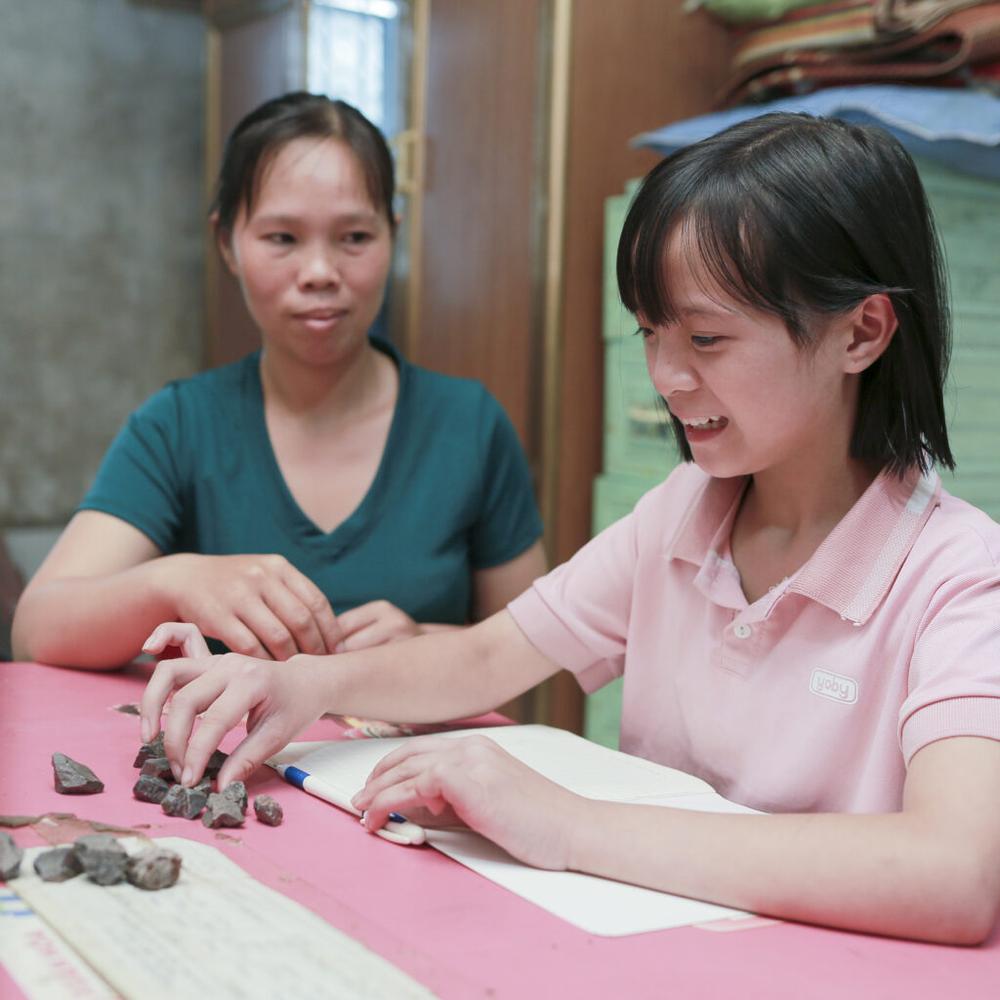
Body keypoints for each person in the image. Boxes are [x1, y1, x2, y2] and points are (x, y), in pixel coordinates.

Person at [138, 113, 1000, 944]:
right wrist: (308, 686)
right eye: (653, 334)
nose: (666, 376)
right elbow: (488, 656)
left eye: (706, 338)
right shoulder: (680, 513)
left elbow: (953, 873)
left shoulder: (959, 577)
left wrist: (570, 826)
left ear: (863, 331)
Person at [12, 92, 545, 669]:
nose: (319, 273)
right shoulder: (179, 426)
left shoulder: (469, 425)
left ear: (393, 235)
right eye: (282, 239)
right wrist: (173, 581)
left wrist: (434, 649)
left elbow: (537, 647)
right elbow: (37, 631)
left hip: (416, 758)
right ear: (228, 243)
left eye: (355, 238)